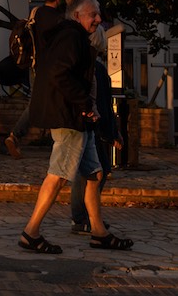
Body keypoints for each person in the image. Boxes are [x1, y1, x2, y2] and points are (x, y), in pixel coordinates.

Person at [17, 0, 133, 254]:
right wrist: (84, 105)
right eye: (93, 15)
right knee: (58, 176)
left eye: (99, 14)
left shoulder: (68, 36)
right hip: (70, 118)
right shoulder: (72, 37)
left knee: (95, 174)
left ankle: (99, 232)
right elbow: (59, 74)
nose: (98, 19)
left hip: (78, 118)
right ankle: (31, 232)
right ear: (77, 15)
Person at [69, 25, 120, 235]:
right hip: (93, 125)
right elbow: (102, 102)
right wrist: (110, 132)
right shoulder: (95, 67)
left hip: (87, 124)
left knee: (90, 173)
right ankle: (84, 217)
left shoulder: (87, 65)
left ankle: (86, 218)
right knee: (94, 174)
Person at [6, 0, 65, 158]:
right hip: (52, 69)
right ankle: (16, 135)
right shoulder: (60, 19)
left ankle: (16, 137)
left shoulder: (36, 13)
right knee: (44, 103)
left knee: (38, 102)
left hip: (35, 66)